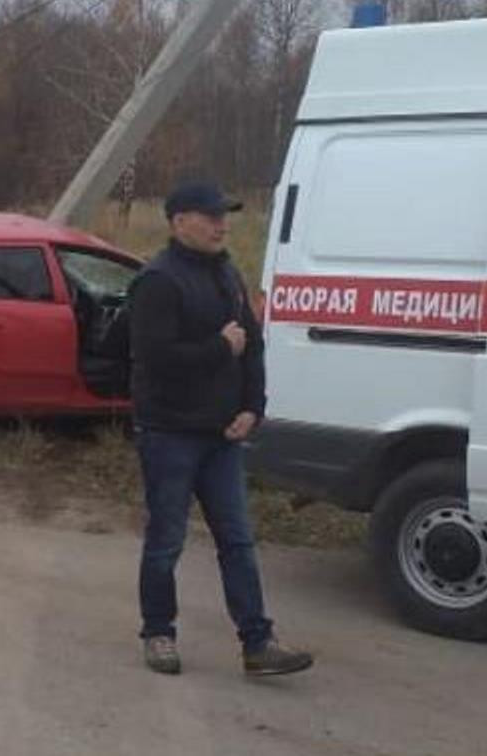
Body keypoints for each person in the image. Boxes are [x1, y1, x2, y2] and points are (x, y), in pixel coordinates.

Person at [128, 180, 313, 677]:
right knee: (166, 540)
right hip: (168, 434)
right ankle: (159, 634)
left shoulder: (228, 273)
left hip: (222, 438)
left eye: (223, 215)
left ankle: (258, 643)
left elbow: (252, 345)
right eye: (210, 216)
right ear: (178, 221)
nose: (221, 224)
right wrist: (218, 348)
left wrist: (254, 406)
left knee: (237, 540)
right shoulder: (157, 282)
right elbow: (154, 359)